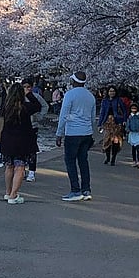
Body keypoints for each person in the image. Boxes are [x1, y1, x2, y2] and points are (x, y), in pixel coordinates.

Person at [55, 71, 96, 202]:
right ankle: (86, 189)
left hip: (73, 133)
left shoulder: (70, 95)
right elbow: (92, 117)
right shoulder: (90, 96)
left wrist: (59, 133)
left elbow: (63, 115)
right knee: (83, 161)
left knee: (70, 161)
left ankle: (75, 190)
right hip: (87, 133)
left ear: (74, 81)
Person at [0, 84, 40, 205]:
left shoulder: (5, 108)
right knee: (20, 168)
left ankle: (8, 192)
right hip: (22, 142)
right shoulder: (26, 108)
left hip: (7, 141)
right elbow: (38, 106)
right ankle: (14, 194)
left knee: (9, 166)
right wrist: (29, 94)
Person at [23, 80, 48, 182]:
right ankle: (23, 170)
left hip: (33, 126)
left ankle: (32, 172)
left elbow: (45, 106)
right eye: (24, 87)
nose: (26, 89)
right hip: (21, 127)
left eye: (28, 86)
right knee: (21, 149)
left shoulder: (36, 97)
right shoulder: (19, 97)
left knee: (32, 149)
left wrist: (40, 116)